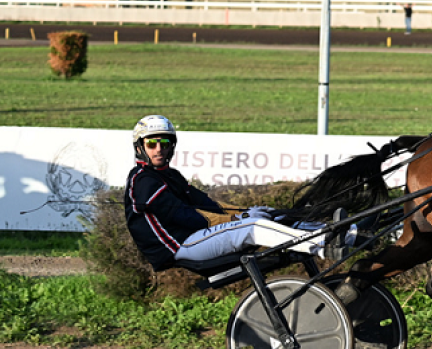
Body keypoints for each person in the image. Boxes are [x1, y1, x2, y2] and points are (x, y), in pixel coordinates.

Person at [123, 115, 352, 271]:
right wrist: (238, 219)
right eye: (152, 144)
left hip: (194, 238)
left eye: (164, 142)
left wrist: (242, 212)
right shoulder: (142, 180)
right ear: (139, 147)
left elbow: (206, 204)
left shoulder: (170, 175)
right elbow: (184, 215)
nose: (159, 149)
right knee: (253, 227)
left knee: (270, 216)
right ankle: (322, 245)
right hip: (180, 247)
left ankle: (344, 232)